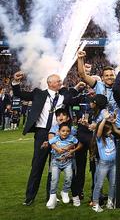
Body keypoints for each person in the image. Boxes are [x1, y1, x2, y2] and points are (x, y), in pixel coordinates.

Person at [12, 71, 83, 206]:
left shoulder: (63, 96)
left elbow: (72, 97)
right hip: (42, 133)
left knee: (54, 166)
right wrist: (16, 82)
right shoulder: (39, 93)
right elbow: (19, 94)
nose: (61, 83)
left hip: (58, 134)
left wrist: (77, 88)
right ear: (50, 83)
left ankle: (51, 196)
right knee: (37, 165)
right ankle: (30, 196)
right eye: (58, 81)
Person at [46, 122, 81, 209]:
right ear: (58, 132)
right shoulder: (55, 138)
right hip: (56, 162)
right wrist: (51, 147)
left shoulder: (71, 138)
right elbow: (49, 143)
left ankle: (64, 191)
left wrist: (71, 148)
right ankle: (52, 196)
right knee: (54, 179)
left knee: (69, 177)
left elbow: (78, 143)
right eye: (63, 131)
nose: (65, 133)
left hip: (67, 162)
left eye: (67, 131)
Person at [92, 111, 118, 212]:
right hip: (103, 164)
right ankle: (95, 203)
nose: (110, 132)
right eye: (108, 130)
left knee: (113, 183)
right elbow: (99, 130)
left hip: (113, 164)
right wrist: (104, 119)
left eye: (110, 130)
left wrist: (112, 122)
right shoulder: (99, 138)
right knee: (99, 184)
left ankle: (110, 202)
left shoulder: (111, 137)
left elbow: (118, 132)